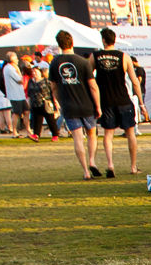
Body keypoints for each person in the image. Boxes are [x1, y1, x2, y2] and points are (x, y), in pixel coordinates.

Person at [48, 33, 103, 177]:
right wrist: (98, 105)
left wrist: (60, 102)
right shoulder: (83, 62)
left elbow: (53, 87)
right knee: (92, 134)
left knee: (78, 138)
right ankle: (92, 161)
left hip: (68, 105)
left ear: (59, 45)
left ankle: (85, 171)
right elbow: (93, 86)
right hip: (86, 104)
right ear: (72, 43)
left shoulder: (54, 63)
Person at [92, 27, 141, 176]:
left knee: (108, 134)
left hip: (106, 101)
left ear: (103, 40)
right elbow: (135, 81)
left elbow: (89, 79)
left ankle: (110, 165)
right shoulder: (124, 57)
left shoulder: (95, 56)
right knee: (130, 133)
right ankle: (133, 166)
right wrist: (141, 102)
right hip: (123, 100)